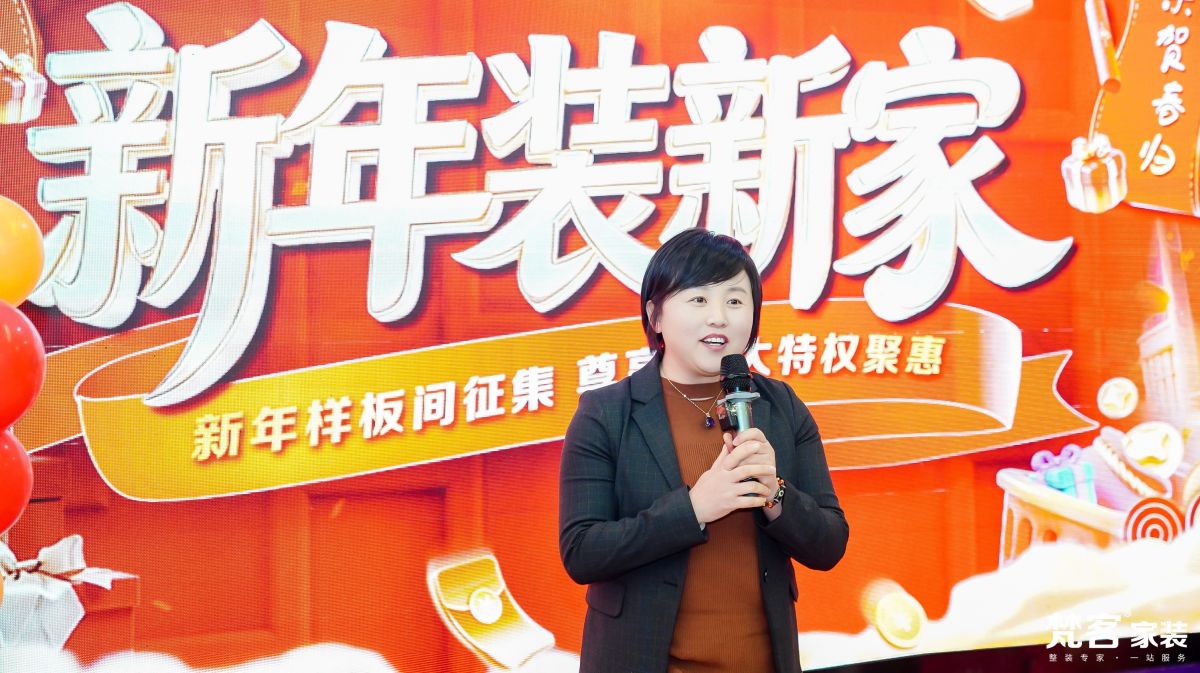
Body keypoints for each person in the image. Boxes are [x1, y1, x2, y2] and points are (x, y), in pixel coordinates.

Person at [558, 228, 849, 673]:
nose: (719, 317)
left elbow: (829, 545)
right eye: (698, 299)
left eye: (734, 300)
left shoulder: (780, 407)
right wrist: (694, 508)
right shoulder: (606, 413)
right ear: (655, 315)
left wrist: (774, 493)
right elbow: (582, 551)